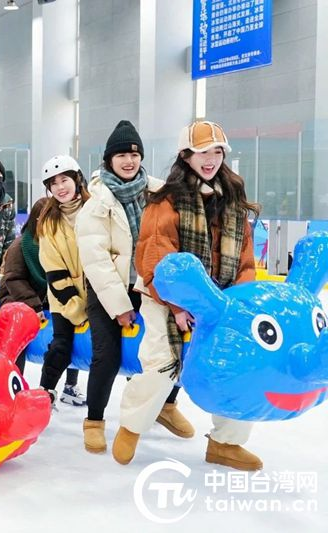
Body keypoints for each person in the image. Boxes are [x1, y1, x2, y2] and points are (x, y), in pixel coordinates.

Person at [114, 120, 261, 471]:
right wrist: (179, 305)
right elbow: (154, 254)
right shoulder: (166, 199)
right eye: (201, 153)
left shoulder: (234, 200)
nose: (210, 159)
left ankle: (226, 443)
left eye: (216, 152)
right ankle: (132, 426)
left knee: (239, 366)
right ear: (185, 156)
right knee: (162, 364)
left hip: (221, 300)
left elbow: (245, 259)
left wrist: (238, 304)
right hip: (165, 298)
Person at [75, 120, 193, 455]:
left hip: (150, 285)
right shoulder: (95, 202)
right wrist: (119, 305)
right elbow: (96, 261)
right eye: (121, 155)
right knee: (108, 356)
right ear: (108, 160)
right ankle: (94, 421)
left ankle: (165, 406)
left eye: (134, 154)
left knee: (171, 348)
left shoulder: (160, 192)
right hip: (110, 287)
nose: (129, 161)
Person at [0, 196, 85, 406]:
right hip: (17, 297)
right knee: (18, 332)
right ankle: (12, 388)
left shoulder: (61, 243)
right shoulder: (21, 246)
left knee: (71, 325)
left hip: (50, 297)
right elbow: (13, 279)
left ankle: (70, 385)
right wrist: (34, 305)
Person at [33, 155, 91, 412]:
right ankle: (45, 391)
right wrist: (75, 308)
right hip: (63, 296)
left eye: (64, 179)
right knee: (61, 345)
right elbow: (53, 269)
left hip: (101, 292)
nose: (60, 187)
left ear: (77, 180)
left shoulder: (96, 210)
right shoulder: (49, 222)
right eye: (53, 183)